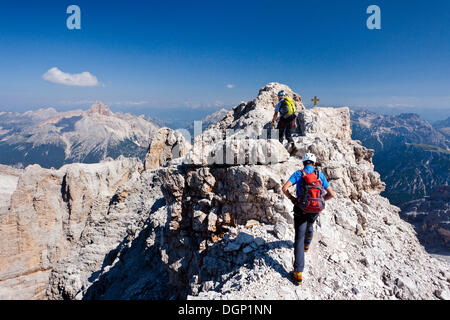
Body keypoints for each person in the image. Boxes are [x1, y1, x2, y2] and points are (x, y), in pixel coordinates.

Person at [281, 152, 335, 285]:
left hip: (300, 208)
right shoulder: (319, 175)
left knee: (298, 237)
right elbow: (332, 194)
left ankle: (298, 273)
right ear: (314, 163)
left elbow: (284, 188)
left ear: (303, 163)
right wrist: (322, 200)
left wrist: (292, 199)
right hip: (315, 208)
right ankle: (307, 245)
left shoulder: (299, 174)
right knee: (310, 225)